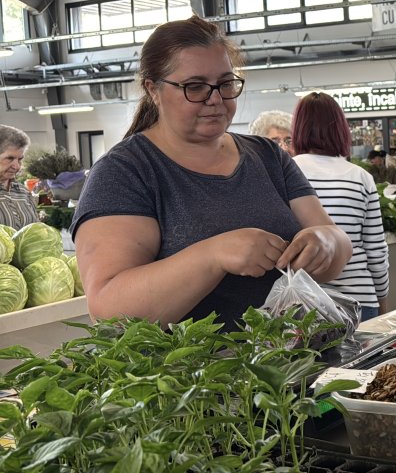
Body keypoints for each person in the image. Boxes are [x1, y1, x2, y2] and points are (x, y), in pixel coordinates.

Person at [71, 16, 352, 329]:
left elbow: (337, 243)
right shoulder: (124, 172)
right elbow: (110, 312)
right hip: (186, 375)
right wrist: (213, 255)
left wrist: (325, 242)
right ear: (153, 90)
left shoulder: (268, 156)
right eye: (195, 87)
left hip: (293, 365)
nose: (215, 99)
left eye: (225, 83)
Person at [291, 92, 390, 321]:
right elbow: (376, 251)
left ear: (298, 128)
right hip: (359, 302)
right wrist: (382, 299)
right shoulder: (361, 177)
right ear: (341, 128)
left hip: (302, 306)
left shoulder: (286, 172)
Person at [0, 125, 39, 230]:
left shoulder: (22, 191)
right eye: (9, 158)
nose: (16, 166)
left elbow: (36, 230)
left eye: (20, 159)